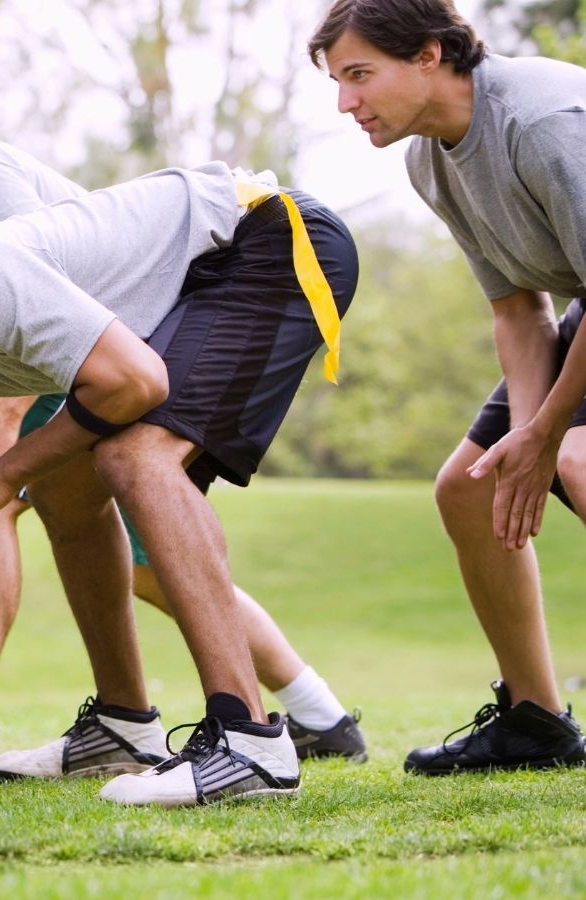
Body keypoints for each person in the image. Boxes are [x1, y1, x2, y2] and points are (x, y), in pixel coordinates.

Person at [0, 34, 365, 781]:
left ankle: (247, 740)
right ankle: (137, 725)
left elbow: (37, 290)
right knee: (70, 492)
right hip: (142, 329)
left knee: (112, 465)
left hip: (243, 252)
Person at [309, 0, 586, 774]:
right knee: (472, 488)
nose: (346, 103)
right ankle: (537, 723)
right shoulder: (429, 158)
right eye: (338, 82)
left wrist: (551, 438)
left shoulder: (538, 122)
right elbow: (517, 305)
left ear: (430, 54)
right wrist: (528, 436)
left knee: (578, 459)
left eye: (360, 76)